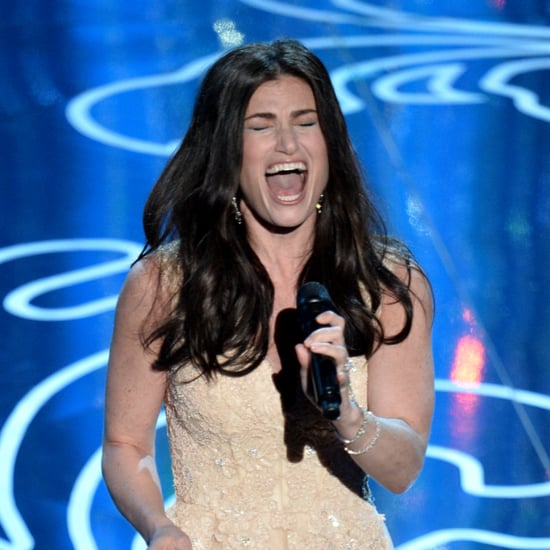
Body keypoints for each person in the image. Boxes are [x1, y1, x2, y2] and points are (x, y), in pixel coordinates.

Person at [102, 39, 434, 549]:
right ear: (225, 152)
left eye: (306, 123)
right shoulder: (164, 286)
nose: (288, 146)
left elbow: (403, 468)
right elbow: (125, 444)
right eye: (261, 127)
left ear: (331, 143)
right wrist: (159, 528)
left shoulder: (386, 284)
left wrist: (346, 411)